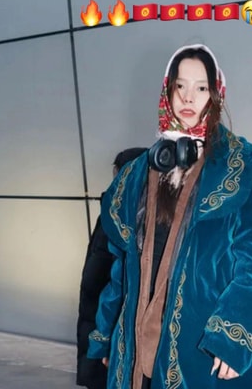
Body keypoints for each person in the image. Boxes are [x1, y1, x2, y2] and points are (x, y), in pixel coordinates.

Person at [87, 44, 252, 389]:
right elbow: (121, 270)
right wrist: (107, 335)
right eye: (180, 86)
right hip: (134, 348)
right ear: (167, 91)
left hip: (201, 350)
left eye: (201, 87)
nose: (188, 97)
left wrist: (233, 339)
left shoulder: (249, 168)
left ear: (216, 95)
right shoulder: (136, 173)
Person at [76, 147, 148, 389]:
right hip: (99, 312)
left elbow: (113, 277)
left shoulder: (126, 214)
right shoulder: (116, 209)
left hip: (106, 315)